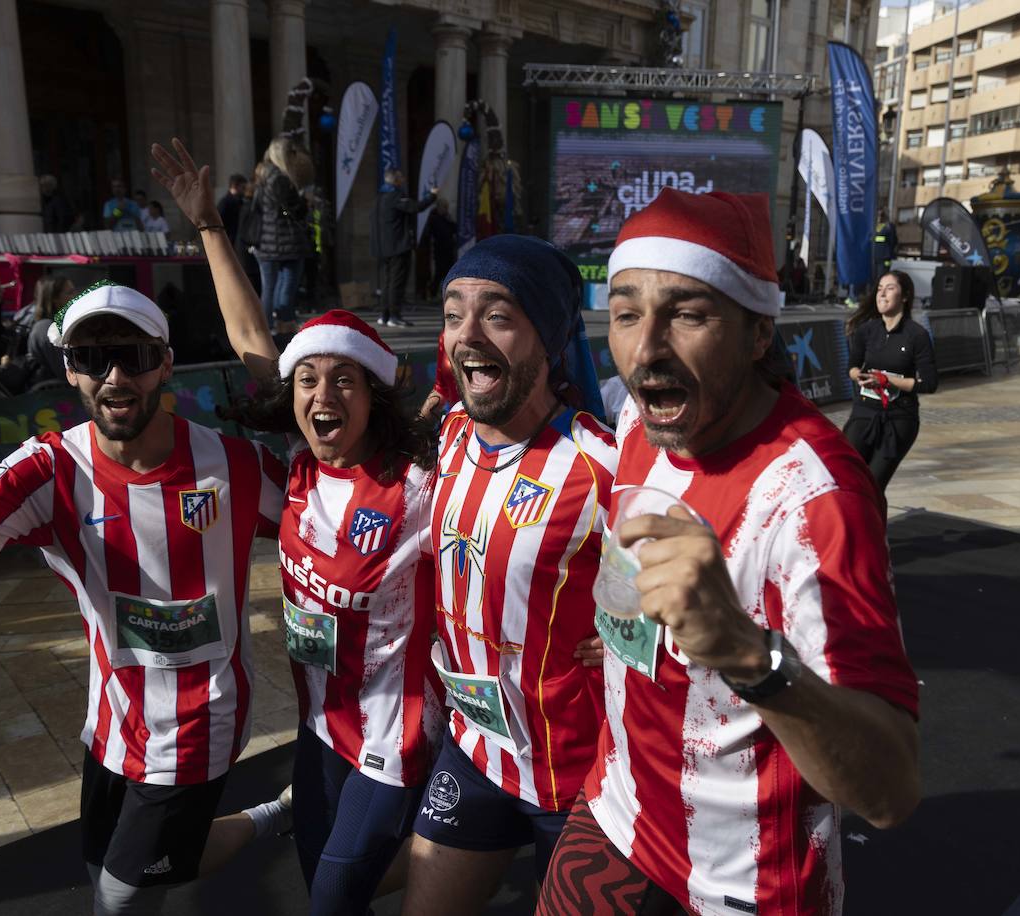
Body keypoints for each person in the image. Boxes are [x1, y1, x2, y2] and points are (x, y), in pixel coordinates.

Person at [538, 188, 920, 916]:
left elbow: (891, 789)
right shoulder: (634, 418)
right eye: (625, 313)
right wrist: (625, 632)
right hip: (616, 813)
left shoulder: (815, 499)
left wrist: (748, 655)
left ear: (755, 335)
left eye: (687, 313)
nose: (646, 347)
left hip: (742, 887)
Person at [0, 279, 292, 915]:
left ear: (163, 363)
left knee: (121, 896)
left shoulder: (234, 465)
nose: (113, 376)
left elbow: (328, 514)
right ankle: (276, 814)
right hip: (112, 719)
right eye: (90, 358)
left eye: (131, 355)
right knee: (105, 865)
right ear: (69, 372)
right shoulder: (49, 468)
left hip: (199, 718)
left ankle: (270, 818)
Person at [152, 137, 444, 913]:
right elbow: (253, 342)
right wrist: (210, 225)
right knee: (324, 881)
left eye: (343, 379)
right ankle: (449, 855)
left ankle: (461, 848)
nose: (322, 393)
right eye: (308, 379)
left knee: (332, 898)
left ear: (373, 397)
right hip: (320, 726)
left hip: (396, 737)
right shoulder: (300, 467)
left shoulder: (419, 487)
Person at [399, 234, 616, 915]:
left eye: (496, 314)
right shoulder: (452, 431)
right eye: (453, 312)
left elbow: (700, 593)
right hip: (475, 752)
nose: (465, 336)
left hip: (583, 783)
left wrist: (641, 633)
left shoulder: (602, 466)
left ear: (548, 339)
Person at [841, 270, 938, 491]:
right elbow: (852, 367)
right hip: (864, 414)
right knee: (845, 477)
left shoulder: (917, 335)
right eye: (879, 289)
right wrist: (860, 377)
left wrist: (888, 381)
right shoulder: (866, 330)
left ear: (904, 296)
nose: (882, 294)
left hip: (899, 419)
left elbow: (930, 383)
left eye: (890, 288)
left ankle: (874, 524)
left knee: (873, 486)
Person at [253, 137, 312, 331]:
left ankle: (268, 326)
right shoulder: (280, 178)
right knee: (285, 283)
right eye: (291, 154)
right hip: (285, 240)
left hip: (266, 240)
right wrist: (305, 201)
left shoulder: (263, 176)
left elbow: (258, 208)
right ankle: (283, 322)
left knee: (269, 286)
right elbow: (294, 209)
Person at [370, 170, 436, 327]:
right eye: (401, 177)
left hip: (382, 248)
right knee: (396, 282)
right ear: (396, 181)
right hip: (397, 247)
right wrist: (432, 196)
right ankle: (394, 315)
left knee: (387, 282)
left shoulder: (379, 198)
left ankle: (384, 315)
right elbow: (415, 207)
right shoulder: (395, 196)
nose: (404, 179)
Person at [26, 275, 76, 386]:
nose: (75, 296)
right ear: (54, 298)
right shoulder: (45, 328)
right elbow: (63, 370)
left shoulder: (59, 324)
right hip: (50, 395)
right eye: (70, 292)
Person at [425, 198, 458, 301]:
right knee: (439, 273)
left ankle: (443, 293)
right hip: (440, 249)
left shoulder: (446, 218)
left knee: (447, 272)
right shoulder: (434, 218)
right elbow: (439, 232)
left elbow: (454, 228)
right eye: (444, 207)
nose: (446, 209)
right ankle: (432, 292)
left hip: (448, 249)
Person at [216, 173, 248, 248]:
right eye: (243, 187)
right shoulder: (225, 203)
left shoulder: (241, 202)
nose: (245, 191)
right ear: (235, 186)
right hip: (229, 243)